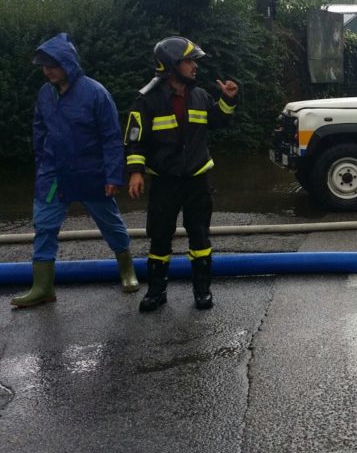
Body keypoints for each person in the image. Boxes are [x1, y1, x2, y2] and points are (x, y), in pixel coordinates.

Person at [12, 33, 137, 308]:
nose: (47, 71)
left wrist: (113, 176)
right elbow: (39, 128)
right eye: (44, 66)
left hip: (91, 172)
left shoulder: (96, 93)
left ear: (67, 63)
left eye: (52, 65)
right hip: (54, 174)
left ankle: (127, 271)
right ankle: (43, 286)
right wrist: (41, 161)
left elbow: (112, 138)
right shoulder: (45, 93)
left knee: (110, 223)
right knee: (44, 226)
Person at [125, 36, 238, 312]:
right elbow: (134, 140)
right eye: (189, 61)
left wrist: (228, 99)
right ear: (171, 65)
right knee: (160, 237)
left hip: (197, 179)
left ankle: (202, 292)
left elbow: (218, 120)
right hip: (165, 181)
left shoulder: (199, 96)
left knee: (199, 235)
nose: (194, 66)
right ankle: (156, 292)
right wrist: (136, 172)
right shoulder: (147, 101)